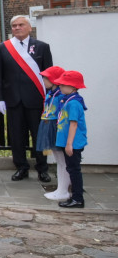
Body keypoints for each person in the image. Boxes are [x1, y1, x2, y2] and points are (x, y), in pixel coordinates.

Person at [0, 14, 53, 182]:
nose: (17, 28)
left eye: (21, 25)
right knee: (17, 137)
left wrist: (49, 99)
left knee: (38, 136)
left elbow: (49, 76)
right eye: (14, 26)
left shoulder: (42, 47)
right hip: (13, 100)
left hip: (36, 100)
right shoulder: (3, 48)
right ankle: (21, 167)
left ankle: (42, 169)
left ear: (29, 27)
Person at [53, 70, 87, 209]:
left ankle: (78, 198)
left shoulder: (73, 103)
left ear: (73, 87)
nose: (60, 86)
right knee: (71, 169)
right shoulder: (67, 100)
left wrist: (69, 144)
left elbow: (73, 124)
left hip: (72, 143)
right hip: (68, 142)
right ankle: (75, 197)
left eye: (64, 84)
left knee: (73, 170)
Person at [37, 66, 69, 202]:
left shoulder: (61, 96)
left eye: (46, 78)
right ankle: (60, 189)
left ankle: (64, 190)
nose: (43, 80)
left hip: (56, 127)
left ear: (54, 80)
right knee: (59, 160)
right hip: (49, 125)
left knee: (63, 161)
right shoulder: (51, 93)